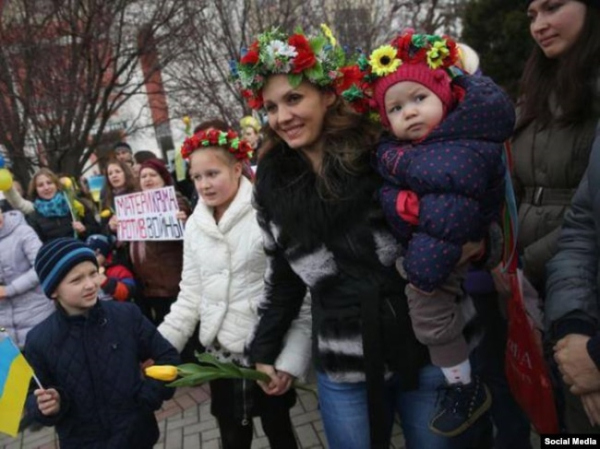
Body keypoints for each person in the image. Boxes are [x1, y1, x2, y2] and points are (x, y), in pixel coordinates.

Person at [232, 26, 488, 448]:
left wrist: (479, 245)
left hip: (425, 345)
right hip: (344, 359)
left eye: (294, 98)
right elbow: (283, 274)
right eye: (272, 106)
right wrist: (266, 348)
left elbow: (457, 208)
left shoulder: (384, 151)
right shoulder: (272, 184)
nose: (282, 117)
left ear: (329, 95)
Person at [359, 31, 514, 436]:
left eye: (419, 99)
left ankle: (464, 388)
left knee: (427, 313)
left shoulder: (456, 152)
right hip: (443, 247)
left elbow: (447, 220)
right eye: (395, 107)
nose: (409, 112)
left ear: (445, 98)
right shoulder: (429, 148)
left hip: (445, 257)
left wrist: (419, 273)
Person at [158, 128, 310, 449]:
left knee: (279, 430)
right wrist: (159, 347)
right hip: (222, 356)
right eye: (197, 177)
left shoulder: (266, 211)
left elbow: (298, 295)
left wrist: (290, 360)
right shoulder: (195, 227)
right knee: (232, 434)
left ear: (237, 168)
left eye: (212, 173)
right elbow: (190, 295)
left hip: (268, 350)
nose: (204, 185)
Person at [24, 237, 179, 448]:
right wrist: (46, 405)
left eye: (93, 273)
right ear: (53, 290)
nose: (90, 285)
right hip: (82, 441)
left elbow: (168, 357)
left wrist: (148, 396)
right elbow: (33, 392)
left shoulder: (126, 316)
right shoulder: (39, 340)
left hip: (136, 437)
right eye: (76, 280)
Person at [455, 42, 534, 448]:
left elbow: (505, 199)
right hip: (449, 291)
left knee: (497, 375)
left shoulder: (485, 124)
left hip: (486, 279)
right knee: (469, 381)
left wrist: (501, 259)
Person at [513, 0, 600, 296]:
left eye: (553, 8)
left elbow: (588, 213)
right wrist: (500, 255)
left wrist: (529, 262)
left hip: (582, 282)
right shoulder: (532, 93)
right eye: (532, 15)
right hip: (521, 279)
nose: (538, 26)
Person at [129, 158, 191, 325]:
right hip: (147, 286)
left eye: (153, 175)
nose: (148, 179)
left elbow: (185, 216)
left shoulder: (176, 200)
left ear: (163, 179)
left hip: (171, 284)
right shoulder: (133, 206)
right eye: (143, 176)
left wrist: (182, 219)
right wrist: (115, 227)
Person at [0, 209, 54, 347]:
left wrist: (9, 290)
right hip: (4, 330)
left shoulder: (23, 232)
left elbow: (41, 266)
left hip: (36, 315)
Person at [2, 168, 100, 242]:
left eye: (49, 183)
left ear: (57, 185)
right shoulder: (34, 215)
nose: (46, 187)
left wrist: (84, 230)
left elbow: (97, 229)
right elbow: (38, 244)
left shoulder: (75, 205)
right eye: (40, 185)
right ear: (35, 190)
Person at [86, 233, 137, 302]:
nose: (93, 259)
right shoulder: (86, 271)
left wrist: (107, 283)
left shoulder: (119, 271)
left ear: (105, 254)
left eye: (96, 255)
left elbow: (128, 292)